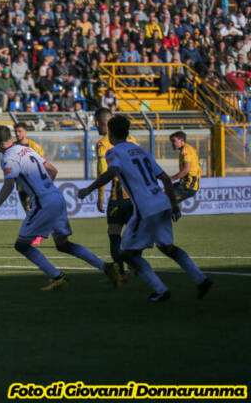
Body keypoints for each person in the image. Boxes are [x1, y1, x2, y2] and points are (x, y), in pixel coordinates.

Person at [78, 115, 213, 302]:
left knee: (126, 253)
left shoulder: (113, 152)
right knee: (168, 247)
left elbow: (113, 171)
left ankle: (160, 289)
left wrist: (89, 189)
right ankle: (201, 279)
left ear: (110, 132)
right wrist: (173, 205)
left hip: (145, 208)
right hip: (162, 202)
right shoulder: (141, 151)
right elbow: (165, 178)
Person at [0, 126, 121, 291]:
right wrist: (44, 191)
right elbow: (53, 170)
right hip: (57, 197)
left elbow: (9, 184)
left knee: (22, 245)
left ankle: (57, 276)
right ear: (11, 137)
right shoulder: (27, 149)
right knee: (63, 244)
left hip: (44, 202)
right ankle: (107, 267)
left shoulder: (8, 158)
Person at [94, 107, 138, 279]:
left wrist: (99, 196)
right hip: (135, 196)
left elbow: (104, 173)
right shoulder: (132, 139)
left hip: (118, 197)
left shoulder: (103, 144)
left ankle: (120, 271)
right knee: (132, 233)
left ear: (98, 123)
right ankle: (135, 265)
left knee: (114, 233)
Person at [13, 122, 48, 245]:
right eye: (16, 131)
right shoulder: (13, 147)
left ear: (25, 132)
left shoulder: (34, 146)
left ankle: (37, 235)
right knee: (28, 211)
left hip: (33, 184)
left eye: (20, 131)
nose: (17, 134)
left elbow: (43, 163)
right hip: (20, 185)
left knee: (31, 208)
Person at [169, 131, 201, 202]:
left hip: (188, 186)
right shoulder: (187, 149)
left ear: (182, 140)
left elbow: (186, 170)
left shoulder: (185, 150)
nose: (171, 144)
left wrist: (171, 179)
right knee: (166, 195)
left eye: (173, 141)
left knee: (166, 198)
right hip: (185, 184)